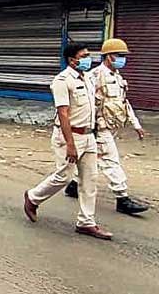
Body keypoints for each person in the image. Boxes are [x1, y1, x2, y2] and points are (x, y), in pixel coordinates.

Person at [23, 42, 113, 241]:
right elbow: (63, 114)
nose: (89, 58)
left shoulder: (88, 78)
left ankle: (86, 222)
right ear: (72, 60)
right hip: (69, 136)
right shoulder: (62, 81)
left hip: (88, 135)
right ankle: (33, 197)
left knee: (90, 179)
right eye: (85, 55)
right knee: (64, 176)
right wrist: (70, 144)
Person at [63, 38, 149, 215]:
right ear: (109, 57)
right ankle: (122, 197)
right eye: (119, 55)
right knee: (111, 160)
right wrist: (89, 128)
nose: (122, 59)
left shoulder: (117, 77)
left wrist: (136, 124)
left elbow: (124, 103)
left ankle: (73, 186)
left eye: (124, 56)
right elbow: (85, 103)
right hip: (99, 127)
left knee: (95, 159)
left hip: (112, 125)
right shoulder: (95, 76)